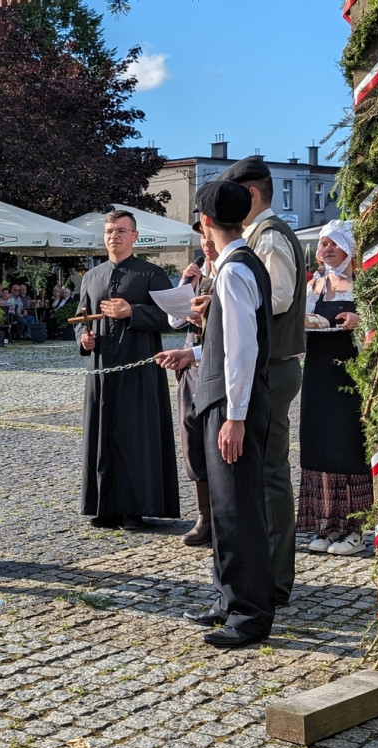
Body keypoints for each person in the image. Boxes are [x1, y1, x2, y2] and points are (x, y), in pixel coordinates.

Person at [156, 180, 274, 649]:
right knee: (226, 512)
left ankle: (249, 615)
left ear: (205, 221)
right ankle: (228, 600)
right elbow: (231, 344)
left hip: (232, 405)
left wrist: (236, 416)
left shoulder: (235, 272)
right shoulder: (236, 267)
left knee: (238, 510)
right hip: (225, 400)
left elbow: (244, 351)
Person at [217, 156, 307, 606]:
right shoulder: (261, 237)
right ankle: (268, 571)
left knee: (270, 474)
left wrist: (225, 304)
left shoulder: (270, 237)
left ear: (250, 195)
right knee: (264, 471)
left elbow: (278, 297)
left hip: (274, 365)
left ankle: (274, 578)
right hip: (273, 363)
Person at [75, 210, 180, 530]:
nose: (114, 236)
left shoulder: (152, 274)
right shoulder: (92, 277)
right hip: (102, 371)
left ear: (135, 236)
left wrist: (131, 311)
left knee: (136, 436)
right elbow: (81, 318)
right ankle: (103, 505)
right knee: (102, 434)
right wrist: (85, 340)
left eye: (121, 231)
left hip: (140, 370)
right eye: (109, 231)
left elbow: (173, 317)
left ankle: (135, 508)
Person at [296, 221, 372, 556]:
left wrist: (361, 321)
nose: (326, 249)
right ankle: (326, 525)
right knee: (318, 444)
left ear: (350, 249)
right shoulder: (315, 284)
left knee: (347, 445)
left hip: (349, 377)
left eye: (333, 244)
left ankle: (353, 529)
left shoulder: (363, 285)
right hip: (317, 373)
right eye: (323, 244)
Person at [168, 218, 218, 546]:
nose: (205, 243)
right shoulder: (197, 273)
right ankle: (204, 514)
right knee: (192, 439)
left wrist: (210, 315)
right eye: (202, 238)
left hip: (214, 364)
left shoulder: (229, 275)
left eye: (210, 237)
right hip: (190, 366)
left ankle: (223, 514)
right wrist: (184, 284)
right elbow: (172, 320)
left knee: (217, 442)